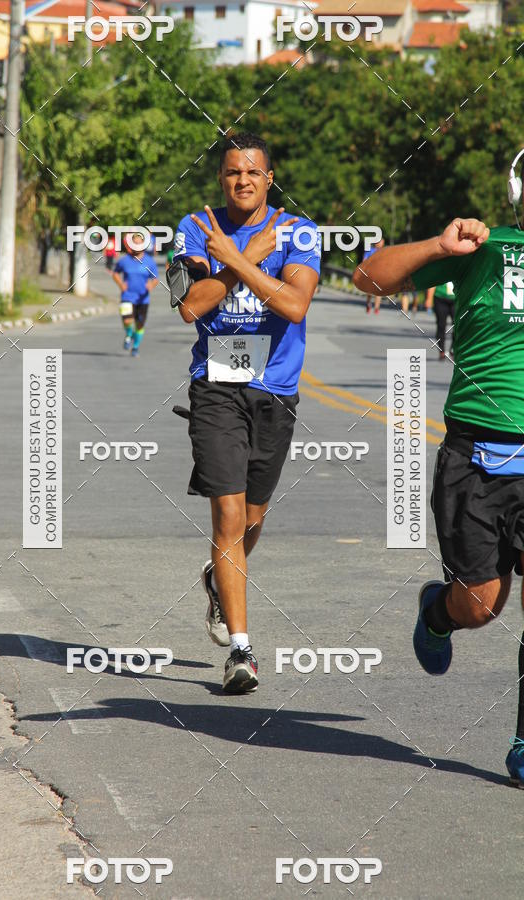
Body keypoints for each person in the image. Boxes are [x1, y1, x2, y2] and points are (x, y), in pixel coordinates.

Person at [352, 165, 524, 787]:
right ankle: (438, 613)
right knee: (480, 607)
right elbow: (367, 276)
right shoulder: (487, 249)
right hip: (477, 456)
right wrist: (436, 245)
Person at [172, 132, 320, 693]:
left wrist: (236, 260)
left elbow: (295, 303)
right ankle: (241, 652)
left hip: (275, 391)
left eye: (253, 173)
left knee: (252, 521)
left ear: (269, 177)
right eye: (233, 172)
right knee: (228, 518)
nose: (243, 181)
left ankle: (217, 578)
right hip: (216, 384)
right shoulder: (196, 227)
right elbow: (191, 307)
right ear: (221, 178)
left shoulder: (297, 231)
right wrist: (242, 259)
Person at [112, 233, 158, 357]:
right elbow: (115, 273)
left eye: (139, 243)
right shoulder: (124, 261)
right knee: (127, 321)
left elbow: (155, 279)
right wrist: (121, 285)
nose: (137, 246)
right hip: (127, 296)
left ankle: (135, 347)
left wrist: (151, 286)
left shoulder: (149, 262)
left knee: (139, 325)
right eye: (135, 243)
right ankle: (128, 334)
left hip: (143, 299)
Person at [426, 281, 455, 359]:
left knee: (458, 325)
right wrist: (429, 299)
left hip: (456, 300)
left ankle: (453, 348)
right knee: (441, 325)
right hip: (440, 299)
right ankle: (441, 350)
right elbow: (433, 282)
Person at [363, 237, 385, 313]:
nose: (381, 244)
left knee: (378, 291)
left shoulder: (384, 252)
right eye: (380, 242)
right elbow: (364, 261)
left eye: (382, 242)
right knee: (369, 291)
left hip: (380, 274)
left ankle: (376, 308)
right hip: (370, 273)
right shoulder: (370, 251)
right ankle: (368, 303)